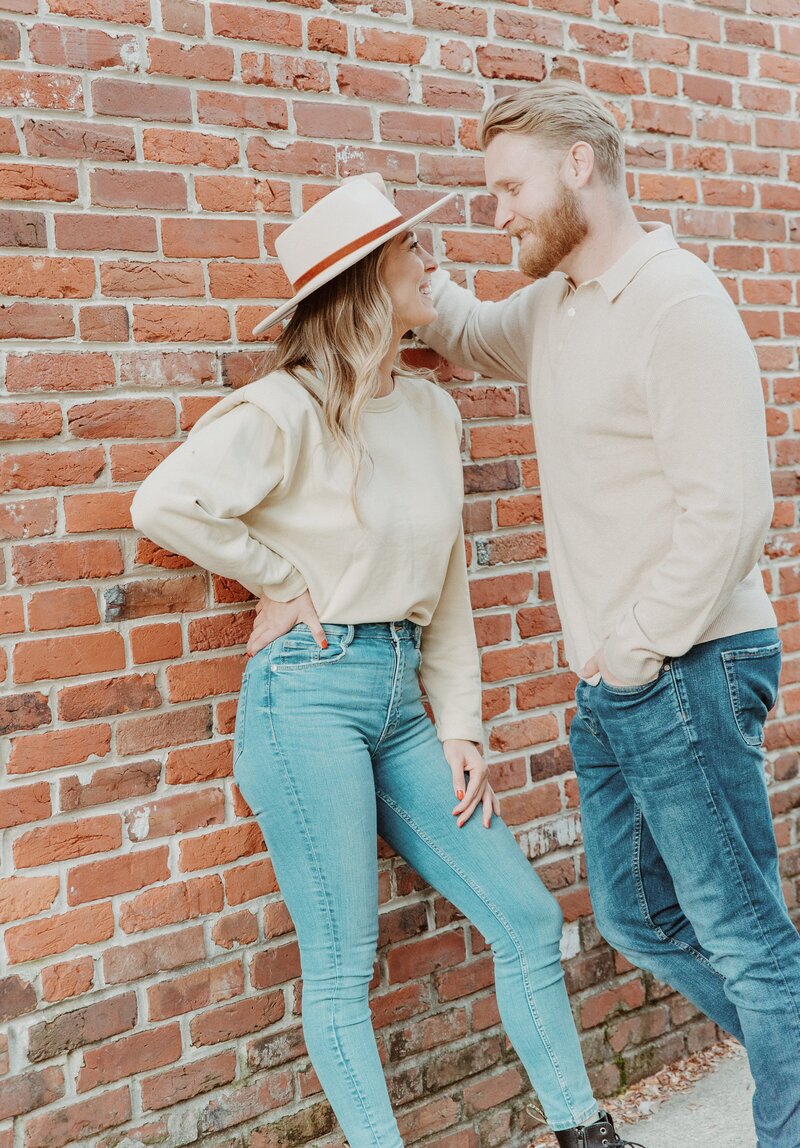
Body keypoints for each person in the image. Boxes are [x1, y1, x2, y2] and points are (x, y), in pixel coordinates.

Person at [129, 176, 643, 1148]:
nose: (434, 258)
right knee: (342, 961)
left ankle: (584, 1132)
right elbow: (165, 503)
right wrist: (278, 573)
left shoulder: (426, 415)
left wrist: (460, 726)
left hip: (403, 700)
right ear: (370, 278)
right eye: (414, 249)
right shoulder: (282, 409)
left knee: (526, 918)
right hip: (305, 701)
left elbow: (447, 589)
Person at [410, 78, 800, 1148]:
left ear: (578, 165)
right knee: (635, 917)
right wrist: (408, 279)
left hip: (689, 661)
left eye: (507, 187)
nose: (496, 213)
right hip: (621, 682)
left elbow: (730, 509)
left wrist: (632, 647)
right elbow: (471, 331)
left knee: (742, 932)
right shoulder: (554, 305)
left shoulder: (675, 302)